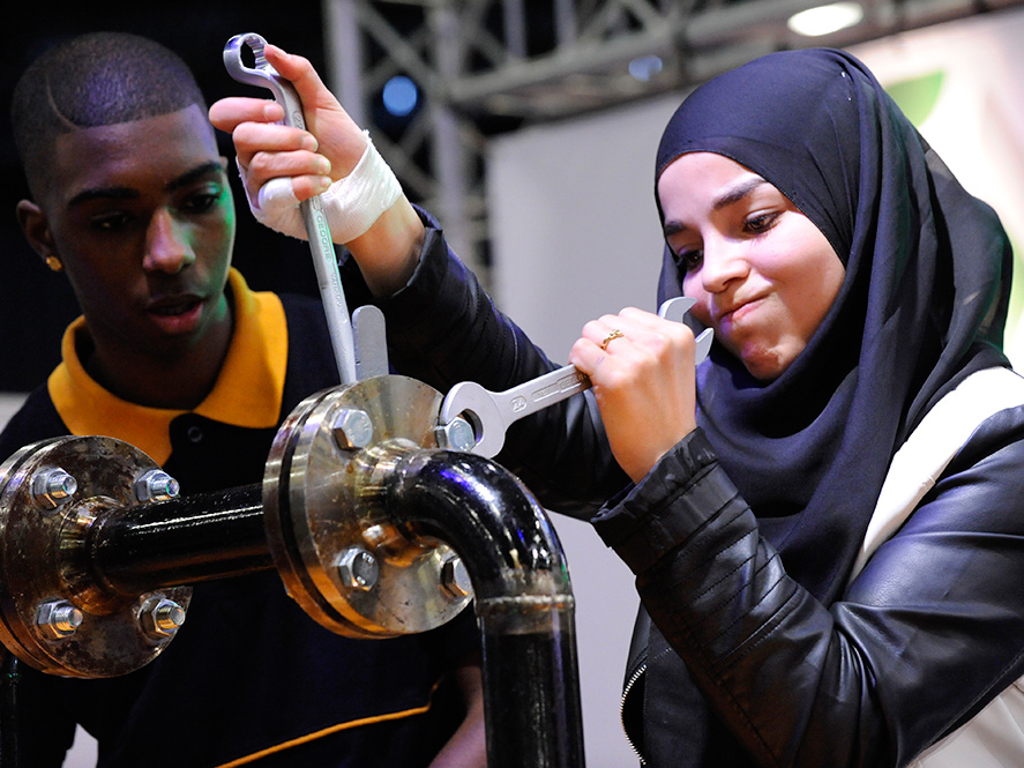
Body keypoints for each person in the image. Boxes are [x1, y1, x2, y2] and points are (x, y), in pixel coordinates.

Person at [211, 43, 1024, 768]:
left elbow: (838, 726)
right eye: (689, 251)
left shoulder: (996, 447)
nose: (717, 274)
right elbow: (549, 428)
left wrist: (674, 472)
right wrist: (369, 207)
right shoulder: (730, 419)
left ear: (865, 212)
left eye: (759, 220)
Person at [1, 31, 486, 768]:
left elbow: (505, 678)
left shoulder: (363, 369)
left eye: (198, 199)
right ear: (43, 235)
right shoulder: (26, 488)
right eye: (112, 221)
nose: (169, 251)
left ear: (231, 182)